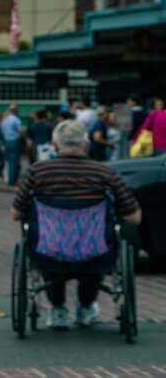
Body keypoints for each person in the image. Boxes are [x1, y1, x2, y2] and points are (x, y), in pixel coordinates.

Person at [11, 120, 142, 329]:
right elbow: (134, 217)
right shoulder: (105, 173)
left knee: (49, 242)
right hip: (95, 251)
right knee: (96, 246)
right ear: (87, 145)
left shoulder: (37, 172)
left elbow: (16, 213)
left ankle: (58, 309)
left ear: (55, 145)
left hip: (49, 249)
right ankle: (86, 307)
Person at [0, 103, 24, 186]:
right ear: (16, 110)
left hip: (7, 141)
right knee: (14, 162)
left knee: (9, 162)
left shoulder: (4, 120)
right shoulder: (16, 120)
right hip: (15, 141)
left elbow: (2, 131)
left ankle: (10, 179)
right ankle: (12, 181)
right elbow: (20, 131)